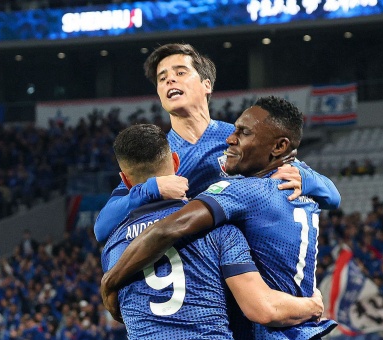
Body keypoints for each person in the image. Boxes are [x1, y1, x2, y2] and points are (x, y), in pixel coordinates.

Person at [102, 97, 344, 340]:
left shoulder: (240, 192)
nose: (230, 139)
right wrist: (312, 305)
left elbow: (169, 229)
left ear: (279, 147)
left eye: (243, 133)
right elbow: (333, 194)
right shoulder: (301, 186)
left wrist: (111, 280)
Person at [93, 43, 340, 244]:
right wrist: (152, 188)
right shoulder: (157, 154)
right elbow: (102, 228)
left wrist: (306, 179)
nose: (170, 81)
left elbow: (332, 197)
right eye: (162, 78)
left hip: (252, 267)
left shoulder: (241, 138)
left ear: (207, 85)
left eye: (180, 73)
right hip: (202, 276)